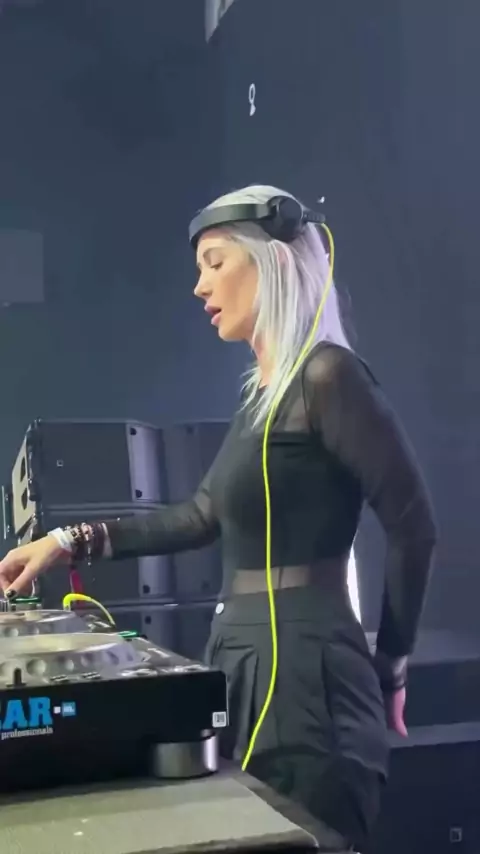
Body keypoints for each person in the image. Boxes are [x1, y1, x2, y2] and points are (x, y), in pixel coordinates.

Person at [0, 185, 437, 852]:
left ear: (272, 261)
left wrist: (393, 667)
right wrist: (67, 540)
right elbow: (199, 515)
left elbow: (413, 524)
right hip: (238, 659)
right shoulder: (260, 400)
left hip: (308, 678)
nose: (200, 286)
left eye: (214, 262)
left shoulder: (329, 377)